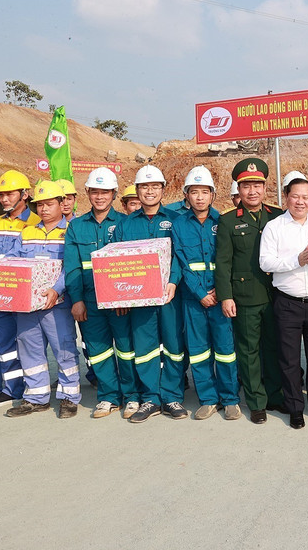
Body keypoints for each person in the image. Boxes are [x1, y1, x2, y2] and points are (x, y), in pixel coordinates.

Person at [113, 165, 186, 423]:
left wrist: (174, 282)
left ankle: (172, 395)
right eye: (145, 187)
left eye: (155, 186)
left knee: (175, 348)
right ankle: (151, 398)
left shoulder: (177, 220)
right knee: (145, 349)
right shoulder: (125, 224)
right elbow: (118, 262)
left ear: (163, 190)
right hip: (140, 299)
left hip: (169, 297)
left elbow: (181, 255)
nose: (150, 191)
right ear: (138, 190)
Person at [64, 168, 137, 418]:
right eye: (95, 191)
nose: (99, 197)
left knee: (126, 349)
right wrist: (77, 301)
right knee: (98, 349)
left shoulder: (126, 224)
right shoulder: (76, 227)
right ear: (87, 193)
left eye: (105, 192)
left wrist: (123, 297)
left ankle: (131, 396)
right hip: (90, 300)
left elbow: (130, 265)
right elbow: (72, 266)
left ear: (114, 194)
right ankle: (108, 396)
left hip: (119, 301)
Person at [215, 158, 283, 424]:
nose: (252, 191)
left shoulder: (277, 216)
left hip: (276, 294)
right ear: (238, 190)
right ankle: (256, 402)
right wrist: (226, 296)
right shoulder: (229, 221)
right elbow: (223, 262)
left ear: (265, 187)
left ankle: (275, 395)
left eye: (257, 185)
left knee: (274, 347)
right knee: (249, 351)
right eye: (246, 186)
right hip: (245, 297)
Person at [4, 181, 81, 418]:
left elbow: (71, 267)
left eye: (50, 204)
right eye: (40, 205)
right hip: (27, 306)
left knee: (64, 348)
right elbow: (14, 263)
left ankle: (69, 397)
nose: (44, 209)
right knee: (29, 349)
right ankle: (36, 397)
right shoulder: (26, 232)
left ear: (62, 204)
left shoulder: (71, 231)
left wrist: (57, 290)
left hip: (57, 304)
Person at [259, 173, 308, 428]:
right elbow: (265, 262)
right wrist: (296, 261)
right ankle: (294, 408)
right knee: (288, 359)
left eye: (305, 197)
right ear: (286, 198)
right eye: (295, 196)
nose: (300, 202)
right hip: (287, 302)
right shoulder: (274, 227)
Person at [172, 167, 242, 421]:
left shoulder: (222, 222)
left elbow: (228, 260)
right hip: (193, 299)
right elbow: (181, 262)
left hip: (220, 297)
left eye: (204, 192)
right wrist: (200, 292)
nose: (199, 197)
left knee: (225, 350)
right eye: (194, 192)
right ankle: (209, 399)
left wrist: (220, 292)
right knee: (199, 351)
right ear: (186, 196)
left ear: (212, 195)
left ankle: (230, 399)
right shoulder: (178, 225)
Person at [0, 170, 38, 408]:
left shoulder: (37, 223)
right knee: (3, 344)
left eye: (9, 194)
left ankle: (35, 387)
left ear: (24, 194)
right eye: (1, 194)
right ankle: (11, 389)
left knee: (29, 344)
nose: (4, 199)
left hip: (25, 296)